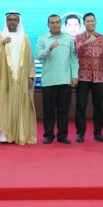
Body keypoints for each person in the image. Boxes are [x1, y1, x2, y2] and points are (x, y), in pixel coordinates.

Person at [0, 11, 36, 145]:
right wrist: (1, 43)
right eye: (10, 19)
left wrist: (31, 75)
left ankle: (20, 134)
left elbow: (30, 58)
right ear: (6, 21)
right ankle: (2, 135)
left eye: (15, 19)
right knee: (3, 103)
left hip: (21, 78)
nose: (12, 22)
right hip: (4, 78)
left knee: (21, 105)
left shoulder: (24, 37)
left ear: (18, 21)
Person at [36, 14, 79, 144]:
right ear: (48, 25)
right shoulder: (42, 39)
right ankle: (48, 135)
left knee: (64, 110)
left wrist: (75, 76)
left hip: (65, 80)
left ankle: (62, 135)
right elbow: (39, 56)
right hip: (49, 80)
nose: (55, 25)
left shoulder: (68, 39)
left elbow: (73, 59)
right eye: (52, 23)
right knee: (49, 110)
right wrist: (49, 48)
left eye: (57, 22)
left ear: (61, 24)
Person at [73, 12, 103, 143]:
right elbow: (75, 51)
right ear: (84, 23)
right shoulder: (79, 37)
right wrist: (86, 42)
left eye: (92, 21)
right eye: (88, 21)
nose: (90, 23)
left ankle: (98, 133)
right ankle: (80, 133)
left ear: (96, 22)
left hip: (99, 77)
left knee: (98, 106)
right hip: (83, 77)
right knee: (81, 105)